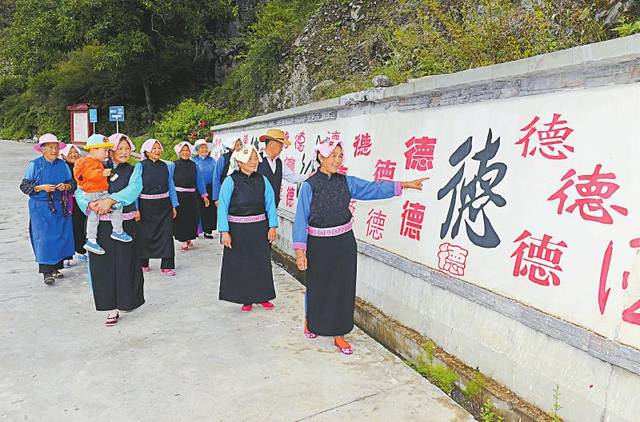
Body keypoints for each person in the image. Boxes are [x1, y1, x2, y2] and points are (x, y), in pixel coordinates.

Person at [293, 140, 427, 355]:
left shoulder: (347, 182)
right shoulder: (309, 186)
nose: (337, 160)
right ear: (320, 157)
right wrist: (300, 252)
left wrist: (403, 184)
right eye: (333, 155)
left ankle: (339, 333)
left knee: (341, 287)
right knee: (317, 285)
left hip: (344, 243)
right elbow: (301, 219)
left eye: (340, 156)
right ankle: (311, 321)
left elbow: (373, 188)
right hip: (318, 245)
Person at [75, 133, 145, 326]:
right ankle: (110, 308)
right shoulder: (96, 166)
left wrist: (110, 200)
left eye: (127, 148)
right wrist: (89, 206)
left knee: (126, 263)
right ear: (110, 150)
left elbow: (133, 189)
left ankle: (126, 301)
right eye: (119, 148)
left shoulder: (135, 169)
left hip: (125, 224)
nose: (124, 152)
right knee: (103, 267)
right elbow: (79, 189)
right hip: (99, 226)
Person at [217, 144, 278, 312]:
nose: (253, 162)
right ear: (239, 161)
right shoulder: (230, 181)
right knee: (241, 264)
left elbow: (270, 204)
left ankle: (262, 296)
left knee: (261, 262)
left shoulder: (262, 180)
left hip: (259, 228)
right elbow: (222, 207)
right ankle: (246, 299)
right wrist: (224, 231)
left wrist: (272, 225)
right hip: (237, 230)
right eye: (249, 159)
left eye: (255, 158)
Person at [20, 134, 75, 285]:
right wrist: (40, 187)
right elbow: (24, 186)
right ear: (42, 149)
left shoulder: (62, 165)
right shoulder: (35, 165)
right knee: (43, 238)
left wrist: (67, 186)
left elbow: (72, 183)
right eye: (50, 147)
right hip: (40, 207)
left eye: (56, 147)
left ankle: (56, 267)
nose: (54, 150)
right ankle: (46, 272)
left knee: (59, 236)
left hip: (60, 205)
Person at [74, 134, 132, 255]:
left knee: (116, 207)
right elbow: (88, 175)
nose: (107, 153)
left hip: (101, 193)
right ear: (94, 149)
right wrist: (102, 173)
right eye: (105, 150)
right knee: (94, 217)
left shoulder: (98, 162)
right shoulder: (88, 162)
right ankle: (92, 239)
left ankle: (116, 231)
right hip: (94, 194)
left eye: (108, 150)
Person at [137, 139, 179, 276]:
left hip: (164, 205)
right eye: (154, 148)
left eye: (158, 148)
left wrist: (173, 205)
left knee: (166, 234)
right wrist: (136, 208)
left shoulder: (165, 166)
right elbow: (135, 189)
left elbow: (170, 185)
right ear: (147, 151)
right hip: (145, 206)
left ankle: (167, 265)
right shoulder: (140, 166)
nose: (157, 151)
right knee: (144, 234)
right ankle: (143, 262)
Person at [173, 141, 209, 251]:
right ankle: (184, 240)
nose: (185, 152)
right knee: (181, 219)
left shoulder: (194, 165)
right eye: (183, 150)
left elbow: (200, 181)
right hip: (179, 196)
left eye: (187, 150)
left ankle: (189, 238)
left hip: (192, 196)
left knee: (192, 218)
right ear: (179, 152)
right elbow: (169, 182)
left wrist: (204, 195)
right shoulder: (173, 165)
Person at [257, 128, 307, 207]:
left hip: (272, 207)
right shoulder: (256, 160)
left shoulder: (279, 163)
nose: (282, 148)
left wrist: (309, 176)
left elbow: (293, 177)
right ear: (271, 144)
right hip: (255, 208)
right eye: (280, 145)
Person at [59, 143, 87, 266]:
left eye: (75, 152)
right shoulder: (62, 168)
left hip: (81, 201)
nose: (73, 155)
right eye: (70, 153)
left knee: (80, 225)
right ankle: (67, 256)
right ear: (64, 156)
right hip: (66, 201)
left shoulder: (83, 166)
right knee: (67, 227)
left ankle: (81, 250)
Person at [192, 139, 218, 238]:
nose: (204, 150)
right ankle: (197, 230)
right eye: (202, 148)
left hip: (210, 187)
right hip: (196, 188)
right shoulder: (194, 160)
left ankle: (208, 230)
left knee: (210, 209)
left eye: (205, 148)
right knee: (198, 208)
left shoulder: (212, 160)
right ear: (197, 150)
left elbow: (216, 174)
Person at [212, 137, 242, 205]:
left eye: (240, 145)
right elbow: (216, 177)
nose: (240, 147)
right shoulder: (223, 158)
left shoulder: (243, 158)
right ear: (231, 147)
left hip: (240, 193)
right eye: (237, 145)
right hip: (225, 191)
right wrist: (217, 197)